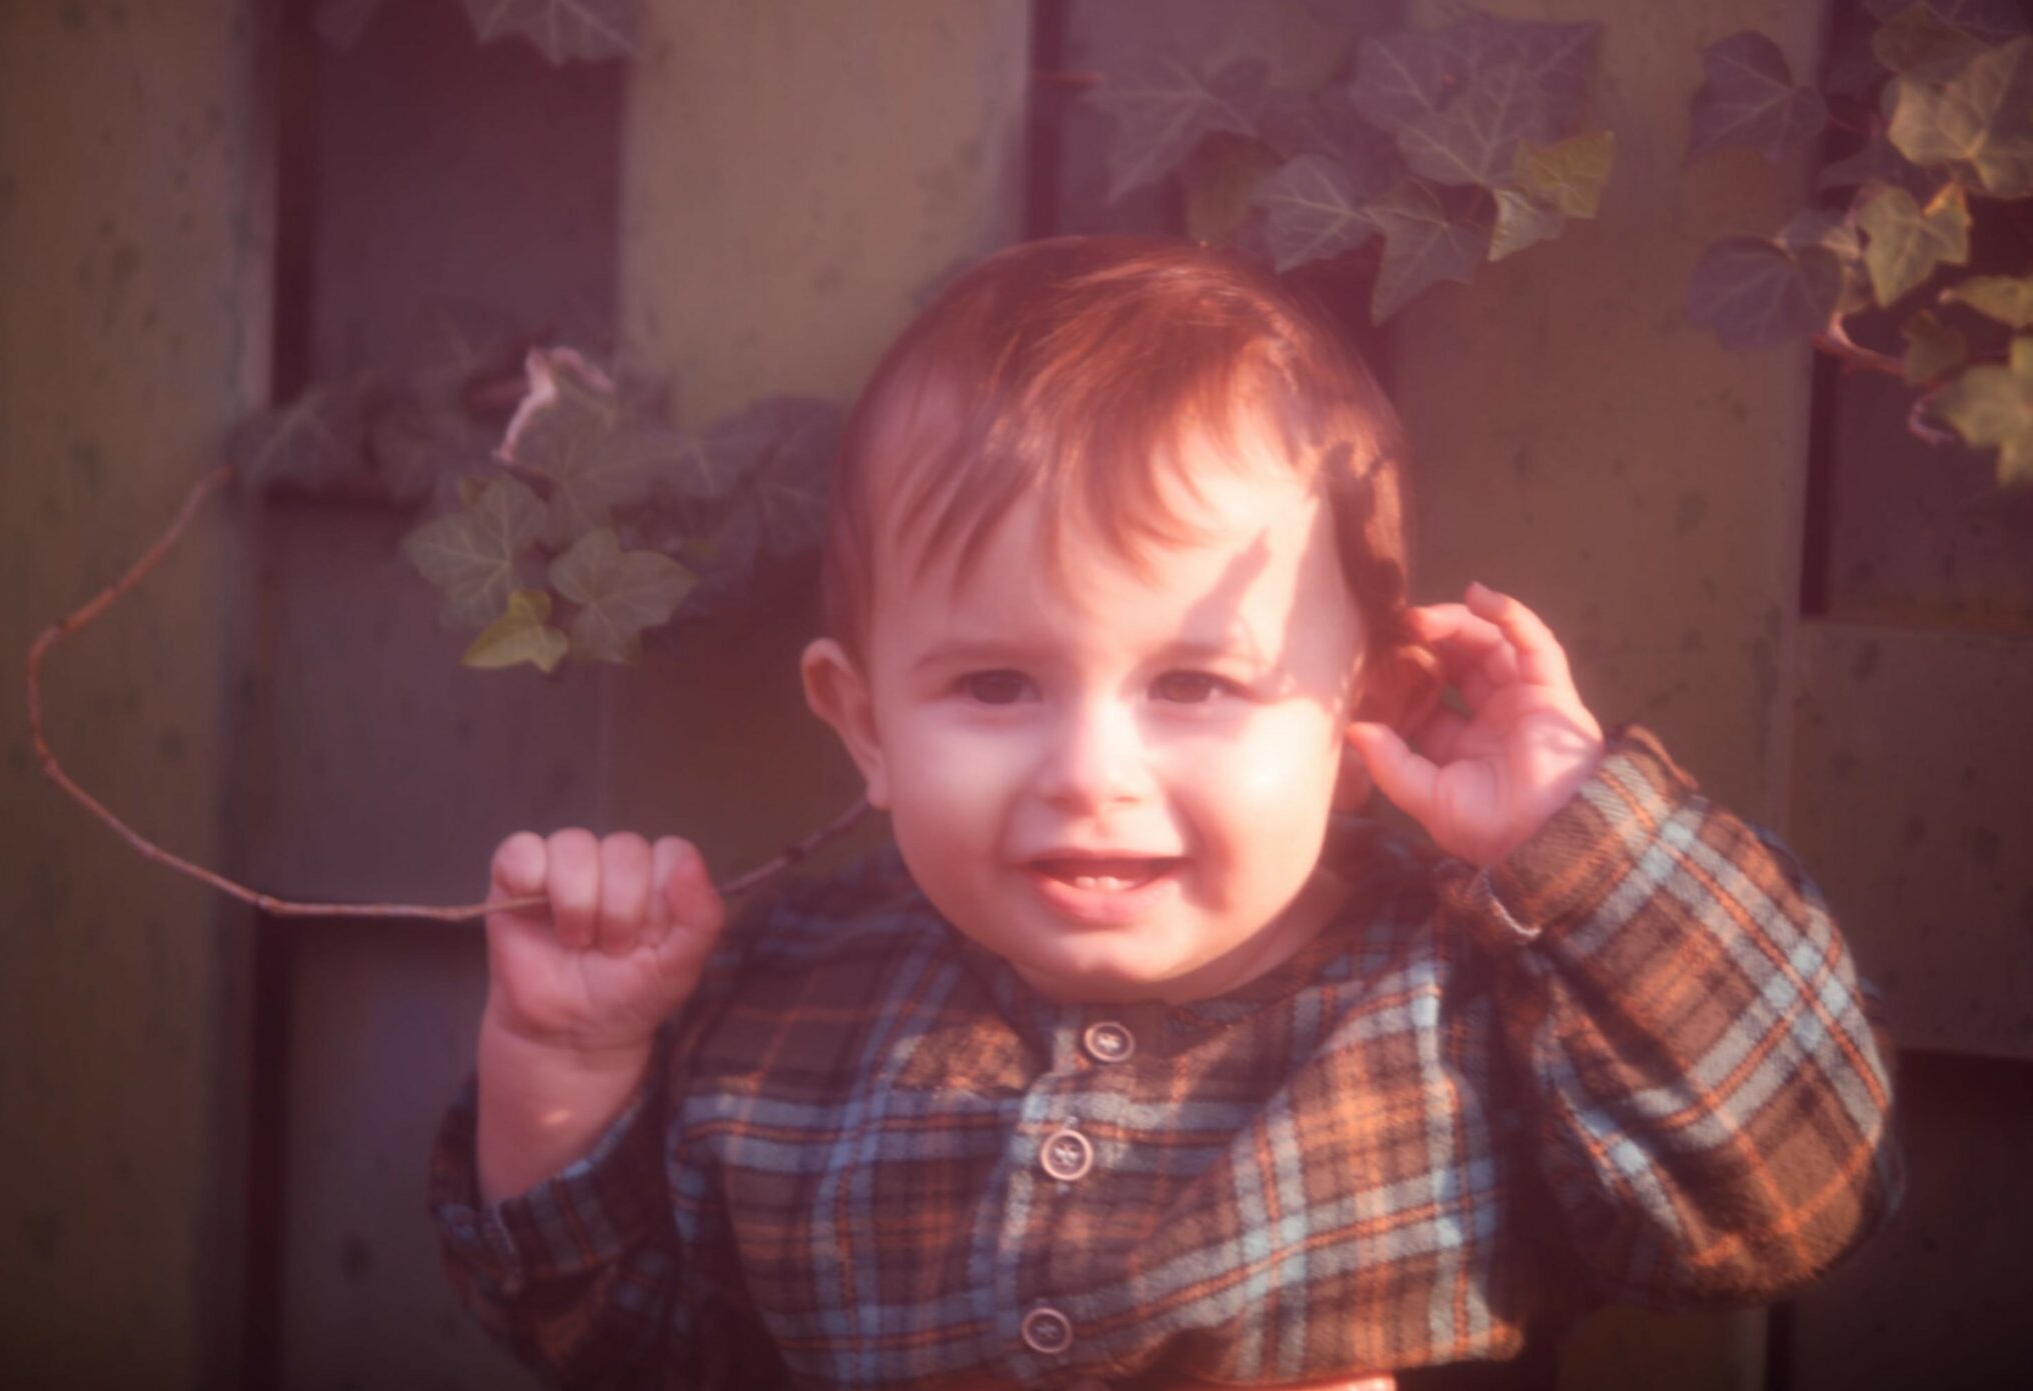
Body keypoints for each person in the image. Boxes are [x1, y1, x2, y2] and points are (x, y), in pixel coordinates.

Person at [428, 236, 1901, 1390]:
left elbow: (1791, 1199)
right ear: (866, 724)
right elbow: (627, 1349)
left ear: (1363, 710)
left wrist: (1584, 840)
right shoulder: (781, 1014)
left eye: (1196, 685)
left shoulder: (1472, 987)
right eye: (999, 686)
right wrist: (562, 1064)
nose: (1090, 770)